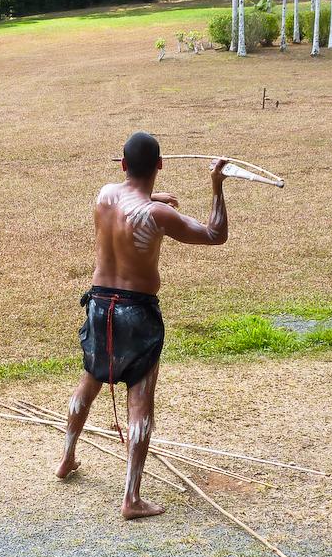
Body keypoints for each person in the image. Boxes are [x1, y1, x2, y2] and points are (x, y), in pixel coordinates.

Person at [55, 131, 229, 519]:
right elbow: (215, 234)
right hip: (137, 311)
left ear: (122, 166)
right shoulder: (157, 215)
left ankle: (66, 458)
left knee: (90, 379)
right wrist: (216, 185)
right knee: (140, 400)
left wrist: (155, 196)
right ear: (161, 165)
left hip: (100, 304)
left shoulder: (103, 196)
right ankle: (131, 498)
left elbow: (128, 201)